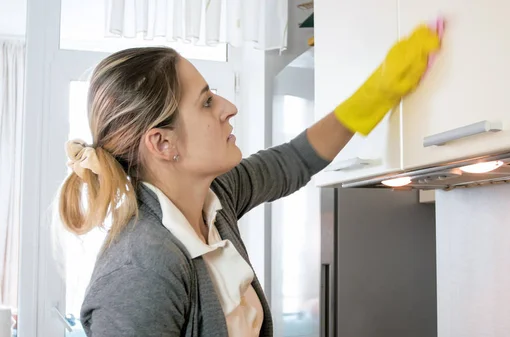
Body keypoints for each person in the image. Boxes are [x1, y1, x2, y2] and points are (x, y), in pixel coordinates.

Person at [57, 22, 441, 337]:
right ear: (163, 142)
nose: (229, 108)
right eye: (207, 102)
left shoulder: (214, 197)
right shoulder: (139, 271)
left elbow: (292, 161)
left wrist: (379, 91)